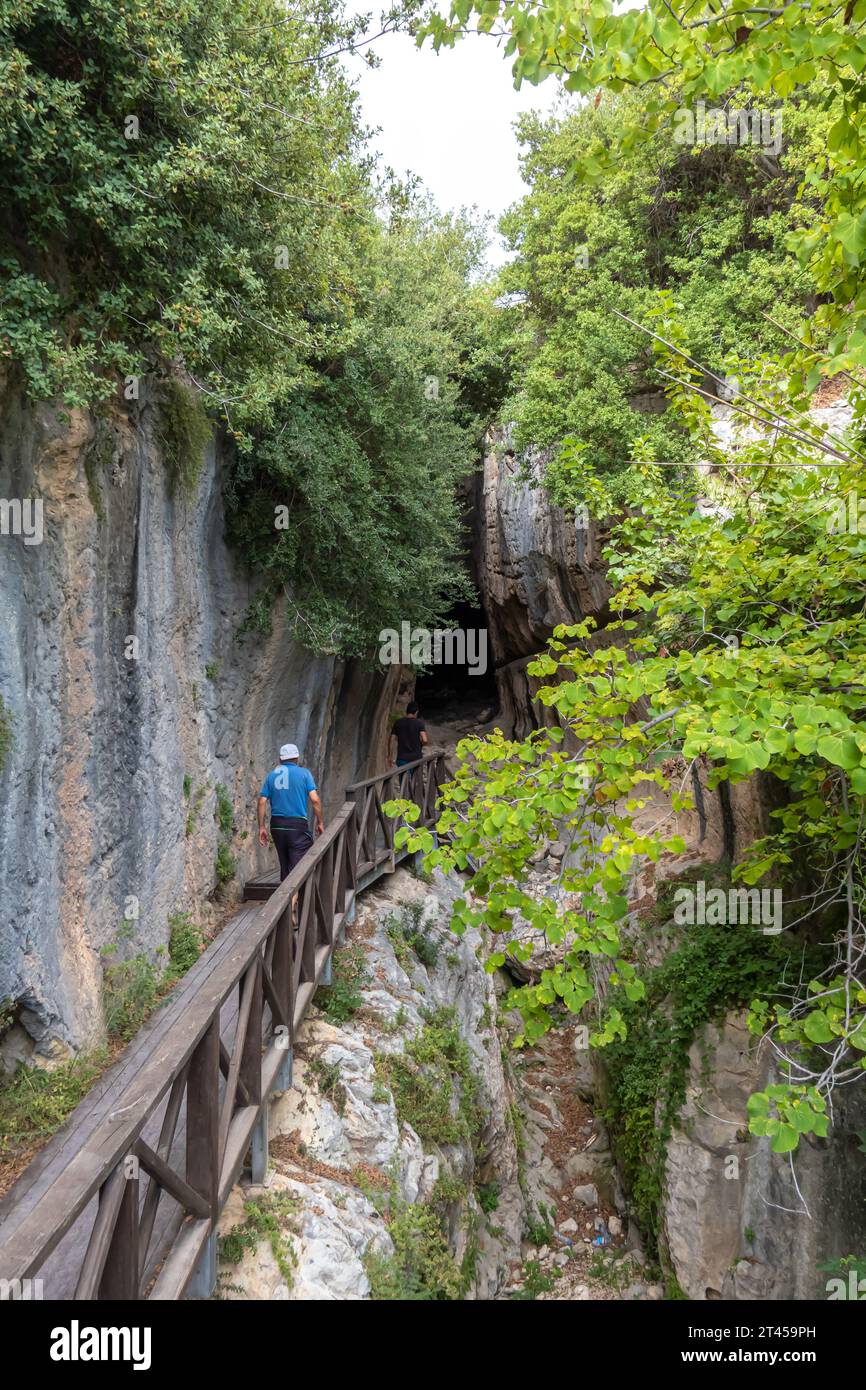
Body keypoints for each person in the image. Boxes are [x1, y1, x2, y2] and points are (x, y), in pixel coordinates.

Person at [258, 743, 324, 881]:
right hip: (297, 825)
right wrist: (320, 822)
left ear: (280, 759)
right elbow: (315, 800)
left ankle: (289, 899)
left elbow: (262, 801)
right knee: (299, 868)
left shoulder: (271, 776)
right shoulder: (304, 774)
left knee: (285, 866)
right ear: (297, 758)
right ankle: (292, 901)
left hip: (276, 825)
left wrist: (262, 827)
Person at [390, 701, 428, 768]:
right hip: (416, 759)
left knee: (403, 778)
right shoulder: (419, 723)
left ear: (407, 711)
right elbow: (425, 740)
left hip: (401, 758)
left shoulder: (398, 722)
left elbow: (391, 740)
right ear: (416, 712)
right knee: (415, 778)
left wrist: (389, 756)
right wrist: (420, 745)